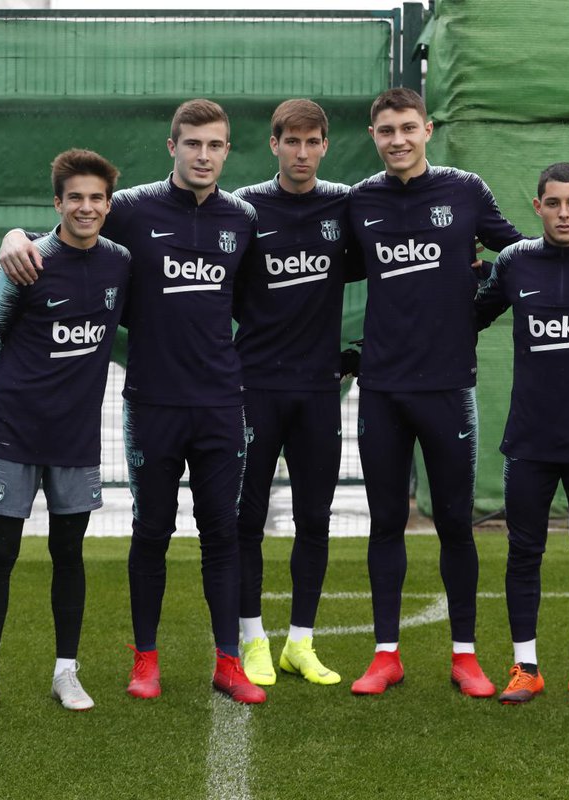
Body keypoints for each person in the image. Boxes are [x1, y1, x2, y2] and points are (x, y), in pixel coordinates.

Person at [0, 100, 265, 705]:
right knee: (152, 533)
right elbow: (64, 237)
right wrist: (14, 236)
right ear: (171, 146)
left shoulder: (242, 218)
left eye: (215, 145)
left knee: (222, 534)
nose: (203, 155)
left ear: (227, 150)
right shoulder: (132, 210)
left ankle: (229, 663)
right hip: (152, 402)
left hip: (222, 405)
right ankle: (145, 660)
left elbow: (253, 306)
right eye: (192, 143)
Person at [346, 87, 524, 697]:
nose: (397, 140)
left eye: (407, 128)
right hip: (382, 390)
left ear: (426, 130)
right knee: (386, 522)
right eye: (386, 131)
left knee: (454, 523)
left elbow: (522, 253)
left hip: (449, 387)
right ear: (374, 136)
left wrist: (481, 302)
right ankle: (386, 654)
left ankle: (465, 656)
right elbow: (311, 269)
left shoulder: (465, 191)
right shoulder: (360, 202)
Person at [0, 149, 130, 716]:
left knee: (68, 554)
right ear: (57, 203)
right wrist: (15, 398)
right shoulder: (27, 258)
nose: (86, 206)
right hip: (13, 434)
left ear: (108, 205)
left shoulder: (121, 263)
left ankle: (66, 673)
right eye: (74, 197)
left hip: (76, 439)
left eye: (96, 198)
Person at [474, 163, 569, 705]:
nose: (563, 213)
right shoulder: (515, 263)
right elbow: (469, 312)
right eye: (552, 203)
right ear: (537, 207)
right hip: (530, 442)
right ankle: (526, 667)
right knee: (524, 553)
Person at [231, 99, 363, 688]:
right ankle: (253, 638)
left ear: (326, 145)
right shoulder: (244, 209)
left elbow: (389, 267)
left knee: (315, 518)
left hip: (318, 391)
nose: (303, 153)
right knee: (247, 521)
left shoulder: (344, 205)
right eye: (293, 141)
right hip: (254, 387)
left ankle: (300, 644)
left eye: (313, 142)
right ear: (274, 144)